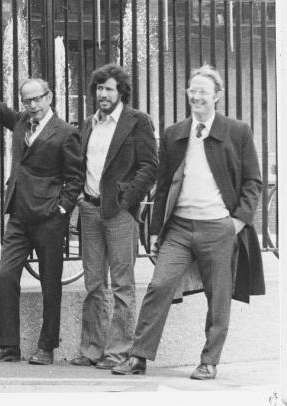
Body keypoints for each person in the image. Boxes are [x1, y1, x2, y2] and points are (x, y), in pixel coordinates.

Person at [112, 65, 264, 380]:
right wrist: (155, 231)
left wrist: (237, 222)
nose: (195, 96)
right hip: (179, 228)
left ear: (217, 96)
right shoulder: (174, 133)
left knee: (218, 295)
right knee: (159, 286)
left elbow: (253, 183)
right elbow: (164, 184)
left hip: (219, 228)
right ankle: (138, 357)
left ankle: (209, 361)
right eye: (192, 90)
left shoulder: (237, 131)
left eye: (203, 92)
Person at [0, 46, 84, 366]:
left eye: (37, 99)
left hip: (49, 218)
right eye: (27, 100)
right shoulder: (21, 122)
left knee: (51, 284)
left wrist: (61, 209)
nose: (32, 105)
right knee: (6, 276)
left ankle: (46, 347)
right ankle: (8, 347)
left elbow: (75, 179)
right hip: (19, 215)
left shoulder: (66, 133)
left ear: (50, 98)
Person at [69, 64, 157, 370]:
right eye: (99, 88)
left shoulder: (137, 121)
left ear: (121, 92)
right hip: (90, 210)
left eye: (109, 88)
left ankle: (119, 352)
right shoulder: (87, 125)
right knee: (94, 283)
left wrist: (126, 201)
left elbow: (149, 166)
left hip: (120, 214)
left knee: (122, 284)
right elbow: (80, 166)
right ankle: (92, 349)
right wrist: (80, 196)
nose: (102, 94)